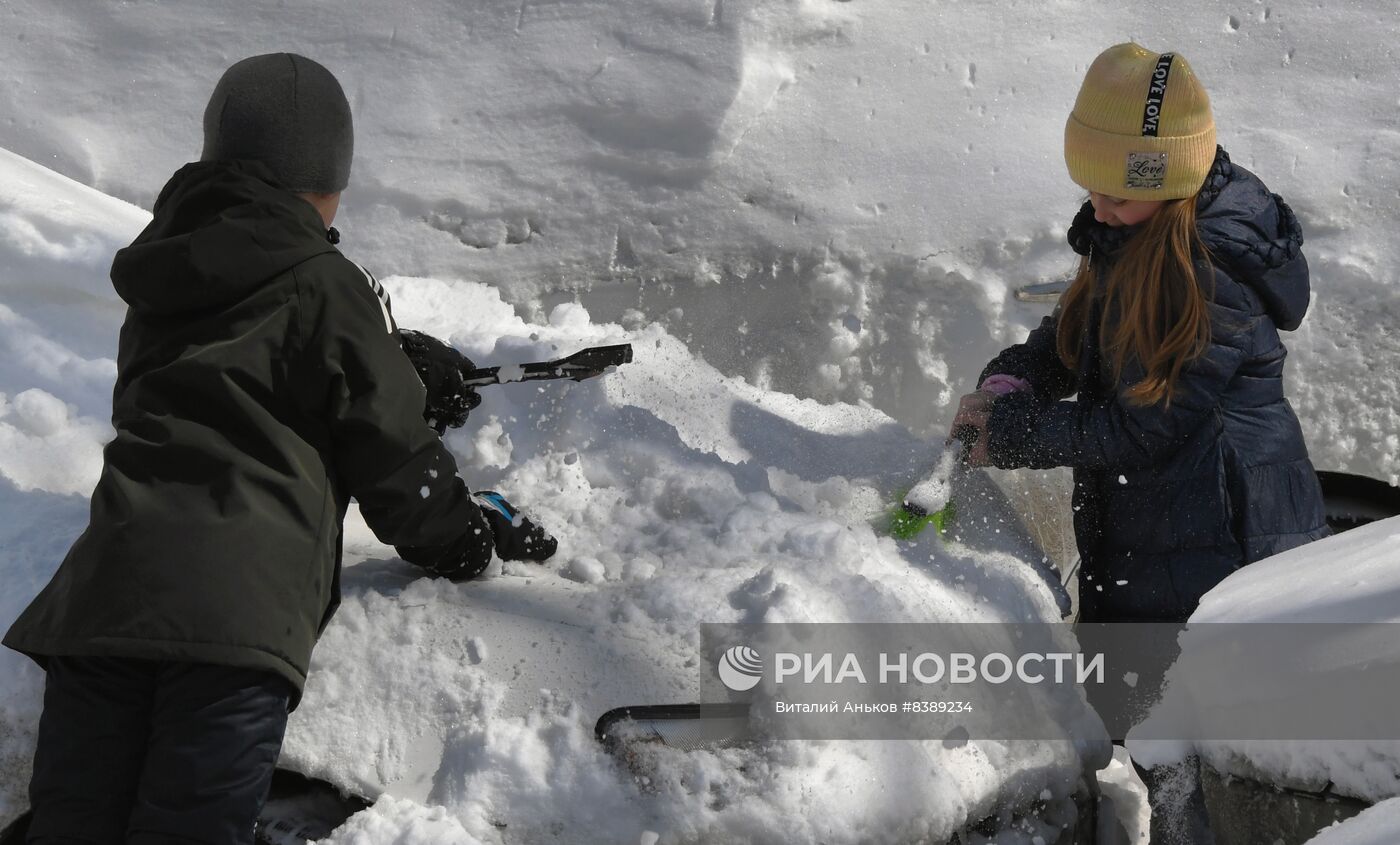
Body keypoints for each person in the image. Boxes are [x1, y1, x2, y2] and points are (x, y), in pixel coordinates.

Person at [3, 53, 554, 844]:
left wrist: (385, 355)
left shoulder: (165, 276)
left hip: (105, 602)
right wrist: (466, 538)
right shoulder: (325, 281)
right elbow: (392, 453)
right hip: (233, 620)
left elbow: (206, 386)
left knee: (72, 825)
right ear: (326, 182)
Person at [951, 43, 1328, 842]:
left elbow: (1145, 427)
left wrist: (1012, 437)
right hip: (1167, 536)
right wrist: (1019, 376)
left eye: (1116, 189)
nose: (1097, 203)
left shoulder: (1207, 269)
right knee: (1165, 758)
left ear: (1170, 179)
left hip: (1226, 548)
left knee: (1204, 781)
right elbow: (1076, 338)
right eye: (1088, 182)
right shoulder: (1133, 232)